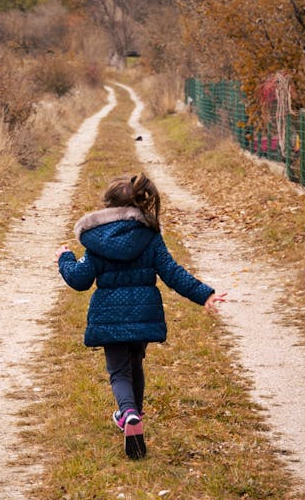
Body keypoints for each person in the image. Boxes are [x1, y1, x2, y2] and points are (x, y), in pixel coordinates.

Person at [55, 172, 226, 459]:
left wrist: (65, 258)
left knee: (119, 371)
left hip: (109, 316)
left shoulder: (95, 241)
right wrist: (204, 294)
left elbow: (79, 280)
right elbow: (173, 273)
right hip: (144, 314)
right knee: (135, 364)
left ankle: (128, 415)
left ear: (107, 206)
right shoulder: (149, 236)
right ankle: (136, 417)